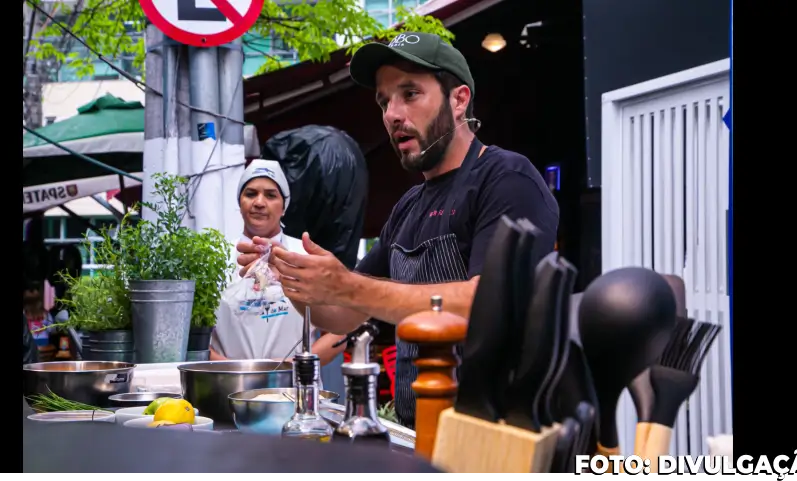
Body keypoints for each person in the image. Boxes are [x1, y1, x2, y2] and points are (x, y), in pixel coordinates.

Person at [235, 33, 560, 428]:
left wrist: (346, 285)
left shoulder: (506, 178)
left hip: (496, 438)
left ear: (459, 100)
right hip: (417, 432)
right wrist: (289, 276)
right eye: (384, 101)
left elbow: (489, 304)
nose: (392, 113)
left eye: (410, 93)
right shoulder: (408, 207)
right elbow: (343, 317)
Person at [210, 160, 347, 365]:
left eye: (270, 195)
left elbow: (339, 332)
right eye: (250, 193)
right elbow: (193, 337)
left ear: (284, 207)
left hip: (296, 388)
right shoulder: (215, 259)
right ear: (240, 204)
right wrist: (234, 371)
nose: (259, 202)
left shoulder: (307, 255)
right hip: (229, 387)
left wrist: (293, 366)